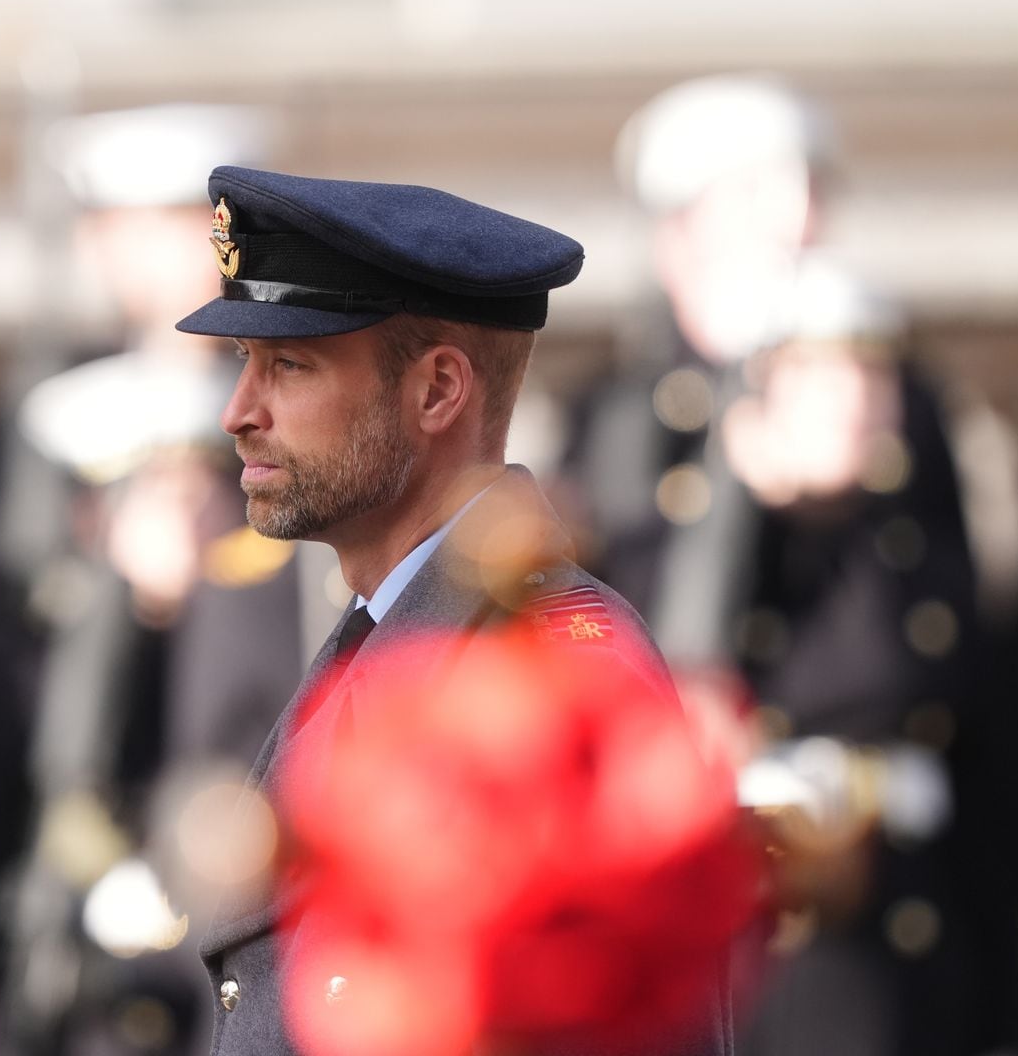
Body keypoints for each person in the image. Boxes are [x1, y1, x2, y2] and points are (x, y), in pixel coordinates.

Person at [172, 164, 731, 1056]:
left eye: (290, 365)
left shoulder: (559, 665)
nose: (240, 412)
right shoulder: (387, 633)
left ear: (437, 391)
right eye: (246, 365)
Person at [573, 77, 1006, 1056]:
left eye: (812, 197)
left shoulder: (904, 398)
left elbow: (958, 659)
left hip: (902, 897)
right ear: (681, 237)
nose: (803, 224)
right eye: (761, 203)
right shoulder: (635, 414)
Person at [0, 103, 312, 1056]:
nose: (177, 254)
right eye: (146, 228)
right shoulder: (43, 427)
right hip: (82, 953)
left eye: (199, 225)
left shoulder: (295, 404)